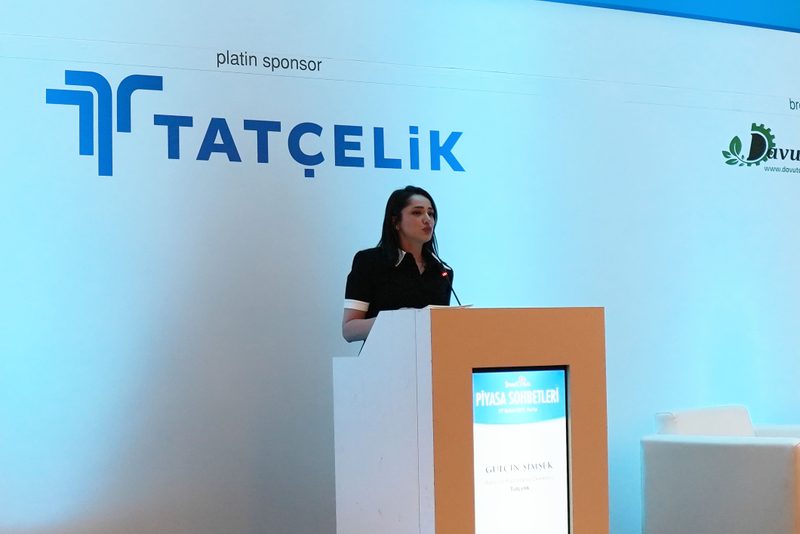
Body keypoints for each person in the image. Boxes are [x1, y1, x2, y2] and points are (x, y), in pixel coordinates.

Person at [342, 186, 454, 342]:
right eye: (417, 213)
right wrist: (395, 320)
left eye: (431, 214)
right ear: (395, 221)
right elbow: (349, 330)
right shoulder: (369, 262)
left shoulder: (442, 271)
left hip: (428, 356)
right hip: (382, 355)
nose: (427, 219)